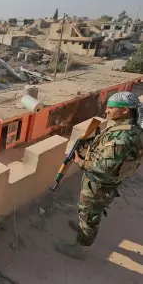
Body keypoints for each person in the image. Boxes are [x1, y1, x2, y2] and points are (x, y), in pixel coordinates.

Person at [55, 91, 143, 259]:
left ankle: (81, 248)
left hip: (100, 184)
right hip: (105, 183)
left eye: (111, 108)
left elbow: (103, 168)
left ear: (125, 110)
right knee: (88, 212)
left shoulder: (122, 139)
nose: (106, 111)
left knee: (89, 214)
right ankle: (84, 228)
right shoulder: (128, 127)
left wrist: (80, 162)